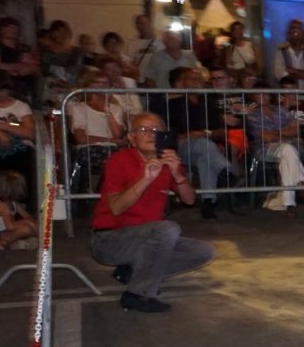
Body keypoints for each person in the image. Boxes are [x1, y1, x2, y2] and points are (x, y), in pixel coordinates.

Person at [89, 113, 212, 312]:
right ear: (131, 137)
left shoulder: (167, 160)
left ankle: (133, 272)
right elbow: (116, 207)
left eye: (156, 130)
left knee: (203, 251)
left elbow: (189, 200)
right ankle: (138, 294)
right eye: (143, 130)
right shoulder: (119, 160)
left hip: (147, 238)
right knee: (167, 229)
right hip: (110, 240)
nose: (151, 134)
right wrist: (145, 179)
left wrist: (177, 175)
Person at [166, 68, 243, 219]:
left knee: (205, 156)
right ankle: (226, 172)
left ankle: (208, 201)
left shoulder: (208, 104)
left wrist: (204, 133)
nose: (196, 82)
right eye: (192, 79)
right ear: (184, 82)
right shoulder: (173, 104)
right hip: (180, 148)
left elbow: (222, 131)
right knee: (204, 145)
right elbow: (169, 133)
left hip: (205, 148)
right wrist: (189, 136)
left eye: (199, 80)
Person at [245, 91, 304, 213]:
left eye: (265, 94)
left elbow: (296, 130)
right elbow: (266, 137)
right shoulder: (252, 115)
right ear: (253, 96)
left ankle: (289, 203)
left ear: (270, 95)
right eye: (258, 94)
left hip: (290, 146)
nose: (262, 97)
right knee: (288, 150)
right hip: (265, 148)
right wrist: (284, 133)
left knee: (287, 156)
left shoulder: (281, 111)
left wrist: (277, 133)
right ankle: (302, 184)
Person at [272, 20, 304, 85]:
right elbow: (280, 74)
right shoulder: (280, 53)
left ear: (303, 34)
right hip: (288, 91)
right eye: (292, 28)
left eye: (298, 28)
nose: (294, 31)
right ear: (288, 33)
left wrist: (293, 71)